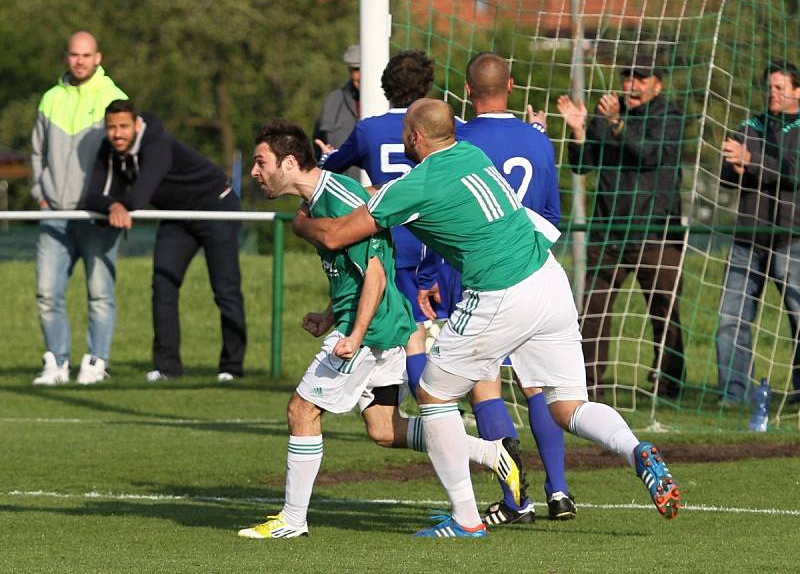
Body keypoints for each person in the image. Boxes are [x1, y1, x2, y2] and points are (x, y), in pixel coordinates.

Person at [293, 98, 682, 537]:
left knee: (433, 395)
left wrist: (301, 222)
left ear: (415, 137)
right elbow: (390, 199)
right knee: (567, 405)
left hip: (501, 292)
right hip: (549, 280)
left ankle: (465, 519)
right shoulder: (470, 155)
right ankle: (636, 451)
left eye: (406, 131)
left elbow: (337, 233)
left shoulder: (418, 184)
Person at [237, 120, 524, 539]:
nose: (255, 172)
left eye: (261, 162)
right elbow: (357, 274)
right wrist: (330, 314)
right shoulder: (317, 201)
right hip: (381, 325)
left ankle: (292, 521)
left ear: (290, 162)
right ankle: (491, 452)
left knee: (302, 410)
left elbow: (375, 275)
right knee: (384, 429)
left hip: (370, 333)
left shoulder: (337, 201)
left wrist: (352, 334)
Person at [416, 52, 574, 524]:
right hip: (531, 270)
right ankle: (560, 490)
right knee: (538, 385)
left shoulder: (457, 140)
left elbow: (435, 210)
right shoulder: (538, 140)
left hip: (474, 275)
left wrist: (427, 277)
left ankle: (515, 499)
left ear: (465, 92)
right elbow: (551, 218)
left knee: (483, 384)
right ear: (513, 85)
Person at [85, 99, 247, 383]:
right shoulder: (109, 149)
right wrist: (113, 206)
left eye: (123, 126)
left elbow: (138, 197)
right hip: (177, 216)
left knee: (225, 288)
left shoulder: (157, 144)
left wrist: (120, 204)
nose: (117, 133)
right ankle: (167, 368)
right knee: (163, 285)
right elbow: (92, 195)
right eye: (111, 128)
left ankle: (231, 368)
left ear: (136, 125)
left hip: (217, 207)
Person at [557, 53, 686, 399]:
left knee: (665, 310)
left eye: (640, 78)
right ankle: (589, 384)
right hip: (609, 231)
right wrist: (579, 131)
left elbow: (648, 154)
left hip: (657, 233)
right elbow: (582, 166)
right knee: (594, 310)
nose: (631, 84)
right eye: (627, 77)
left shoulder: (669, 117)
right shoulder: (605, 115)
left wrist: (615, 124)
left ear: (657, 84)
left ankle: (670, 384)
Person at [315, 50, 437, 408]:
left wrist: (325, 155)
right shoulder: (445, 126)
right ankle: (455, 411)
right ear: (427, 87)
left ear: (385, 87)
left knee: (409, 334)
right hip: (436, 244)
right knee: (436, 334)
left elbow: (331, 167)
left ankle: (429, 409)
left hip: (388, 243)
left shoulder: (369, 129)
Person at [31, 31, 128, 386]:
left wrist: (112, 200)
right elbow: (37, 153)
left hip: (97, 217)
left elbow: (127, 157)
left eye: (86, 55)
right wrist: (41, 193)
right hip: (54, 213)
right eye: (74, 55)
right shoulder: (50, 99)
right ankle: (56, 363)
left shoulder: (114, 98)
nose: (80, 61)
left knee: (100, 294)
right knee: (47, 293)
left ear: (98, 57)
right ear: (67, 57)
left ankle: (95, 362)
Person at [717, 61, 800, 405]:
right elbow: (725, 176)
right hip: (748, 237)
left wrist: (750, 160)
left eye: (781, 87)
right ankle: (733, 395)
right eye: (770, 87)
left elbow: (793, 170)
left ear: (798, 91)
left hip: (792, 237)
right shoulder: (750, 125)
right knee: (730, 319)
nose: (773, 93)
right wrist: (734, 165)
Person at [313, 44, 361, 180]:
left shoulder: (391, 103)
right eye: (356, 69)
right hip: (342, 193)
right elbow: (317, 149)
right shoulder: (333, 102)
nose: (360, 75)